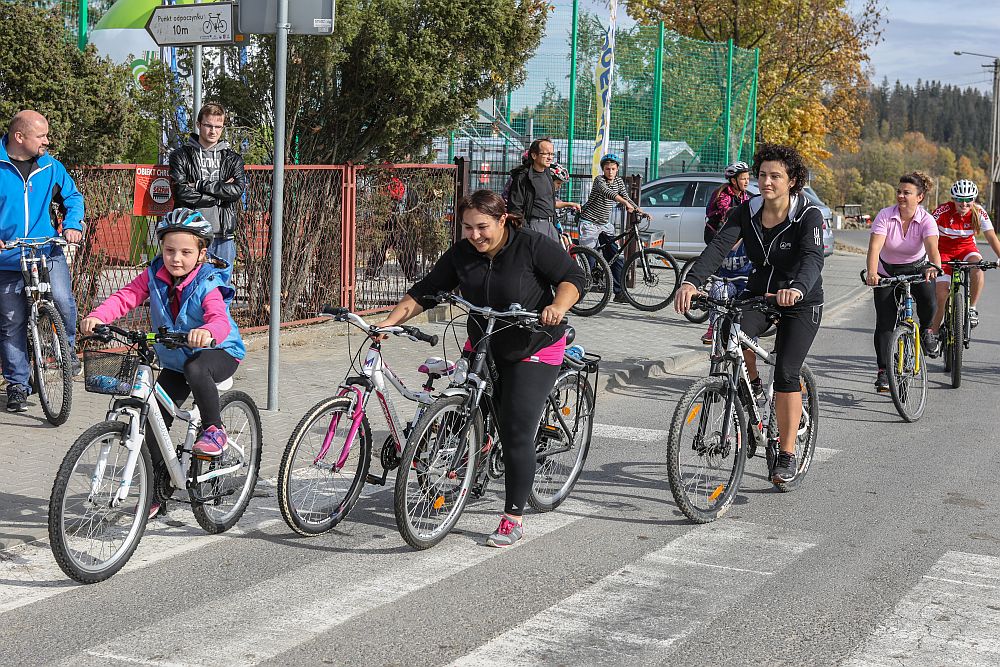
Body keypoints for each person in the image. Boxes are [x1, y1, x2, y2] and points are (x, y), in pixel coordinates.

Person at [376, 189, 585, 547]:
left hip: (534, 344)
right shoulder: (462, 253)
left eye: (482, 227)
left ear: (503, 220)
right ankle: (477, 450)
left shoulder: (531, 245)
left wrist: (559, 307)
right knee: (465, 400)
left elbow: (574, 278)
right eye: (467, 228)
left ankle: (512, 518)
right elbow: (427, 290)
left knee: (516, 428)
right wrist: (388, 324)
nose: (475, 236)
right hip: (485, 340)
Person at [80, 208, 246, 517]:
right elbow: (126, 296)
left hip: (219, 351)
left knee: (197, 368)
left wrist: (206, 332)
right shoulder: (154, 275)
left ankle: (214, 429)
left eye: (185, 251)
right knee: (152, 421)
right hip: (174, 359)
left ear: (201, 254)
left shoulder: (209, 281)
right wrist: (98, 316)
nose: (176, 258)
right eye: (170, 250)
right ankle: (160, 488)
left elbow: (219, 319)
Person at [675, 143, 825, 484]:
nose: (767, 182)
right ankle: (755, 386)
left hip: (801, 300)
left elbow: (813, 258)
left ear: (793, 181)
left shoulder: (807, 214)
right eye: (762, 175)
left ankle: (786, 453)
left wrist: (798, 288)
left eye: (776, 176)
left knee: (787, 372)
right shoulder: (747, 210)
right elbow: (717, 247)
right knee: (732, 329)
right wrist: (692, 282)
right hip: (761, 293)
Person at [0, 110, 84, 412]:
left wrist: (73, 224)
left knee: (62, 299)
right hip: (7, 258)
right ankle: (18, 386)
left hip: (46, 250)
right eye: (41, 136)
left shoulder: (51, 166)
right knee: (12, 324)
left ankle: (67, 352)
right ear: (19, 137)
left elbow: (73, 198)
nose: (47, 141)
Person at [865, 173, 941, 392]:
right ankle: (883, 372)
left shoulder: (926, 220)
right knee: (885, 322)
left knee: (928, 299)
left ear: (920, 197)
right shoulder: (885, 215)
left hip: (918, 267)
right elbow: (875, 248)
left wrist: (934, 268)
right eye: (899, 191)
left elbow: (932, 249)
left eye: (906, 193)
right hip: (887, 270)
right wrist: (872, 273)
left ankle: (927, 330)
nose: (900, 196)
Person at [169, 102, 246, 283]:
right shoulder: (181, 156)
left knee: (221, 291)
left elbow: (236, 191)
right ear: (199, 124)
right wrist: (219, 194)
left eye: (218, 127)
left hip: (223, 235)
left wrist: (198, 185)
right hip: (190, 234)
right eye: (209, 125)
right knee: (188, 289)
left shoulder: (232, 159)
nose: (213, 131)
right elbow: (181, 192)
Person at [927, 179, 1000, 335]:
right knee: (942, 296)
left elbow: (992, 237)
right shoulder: (942, 211)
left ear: (974, 200)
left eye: (969, 200)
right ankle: (933, 332)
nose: (964, 204)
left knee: (978, 266)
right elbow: (927, 235)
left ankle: (972, 308)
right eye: (960, 200)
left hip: (966, 249)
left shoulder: (979, 212)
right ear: (953, 199)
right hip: (943, 252)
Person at [577, 153, 648, 303]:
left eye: (613, 169)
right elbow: (608, 193)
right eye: (607, 169)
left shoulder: (619, 181)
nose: (610, 172)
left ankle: (619, 292)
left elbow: (626, 197)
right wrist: (624, 203)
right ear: (603, 169)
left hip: (604, 224)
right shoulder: (599, 180)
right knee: (589, 259)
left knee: (616, 256)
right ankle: (578, 294)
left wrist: (639, 210)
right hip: (589, 222)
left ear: (617, 169)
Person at [701, 161, 754, 344]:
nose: (746, 182)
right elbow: (728, 213)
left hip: (735, 236)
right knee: (719, 282)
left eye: (748, 179)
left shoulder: (744, 195)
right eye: (743, 179)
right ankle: (711, 328)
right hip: (716, 233)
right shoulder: (723, 194)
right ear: (733, 180)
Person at [506, 138, 561, 242]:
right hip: (533, 226)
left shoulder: (548, 173)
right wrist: (523, 228)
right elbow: (515, 207)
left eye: (552, 154)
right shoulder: (522, 177)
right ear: (534, 155)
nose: (550, 157)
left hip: (550, 225)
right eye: (546, 154)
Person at [550, 162, 581, 249]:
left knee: (564, 237)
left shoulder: (552, 192)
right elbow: (553, 203)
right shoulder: (544, 191)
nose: (559, 187)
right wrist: (570, 204)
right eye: (558, 183)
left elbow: (557, 201)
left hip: (553, 220)